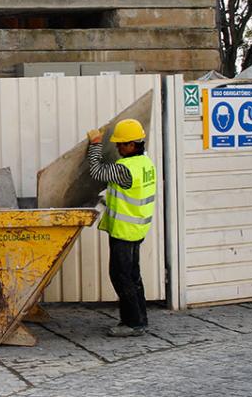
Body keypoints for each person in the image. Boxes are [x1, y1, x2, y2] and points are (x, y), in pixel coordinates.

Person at [87, 118, 157, 338]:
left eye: (120, 144)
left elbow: (97, 172)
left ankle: (133, 324)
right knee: (133, 275)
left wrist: (96, 144)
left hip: (125, 231)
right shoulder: (145, 163)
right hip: (138, 228)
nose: (117, 147)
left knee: (121, 276)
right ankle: (139, 319)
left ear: (132, 144)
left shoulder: (125, 169)